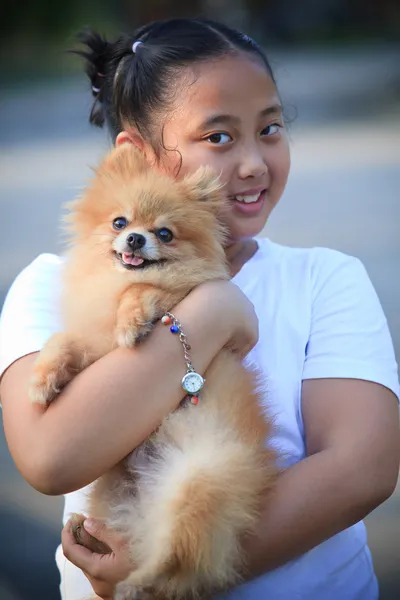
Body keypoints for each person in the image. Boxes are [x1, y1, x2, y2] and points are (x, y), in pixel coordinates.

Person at [0, 17, 399, 600]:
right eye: (219, 137)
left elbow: (362, 470)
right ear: (136, 156)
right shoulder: (49, 285)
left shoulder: (325, 279)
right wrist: (210, 312)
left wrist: (175, 574)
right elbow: (53, 457)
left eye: (271, 129)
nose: (253, 162)